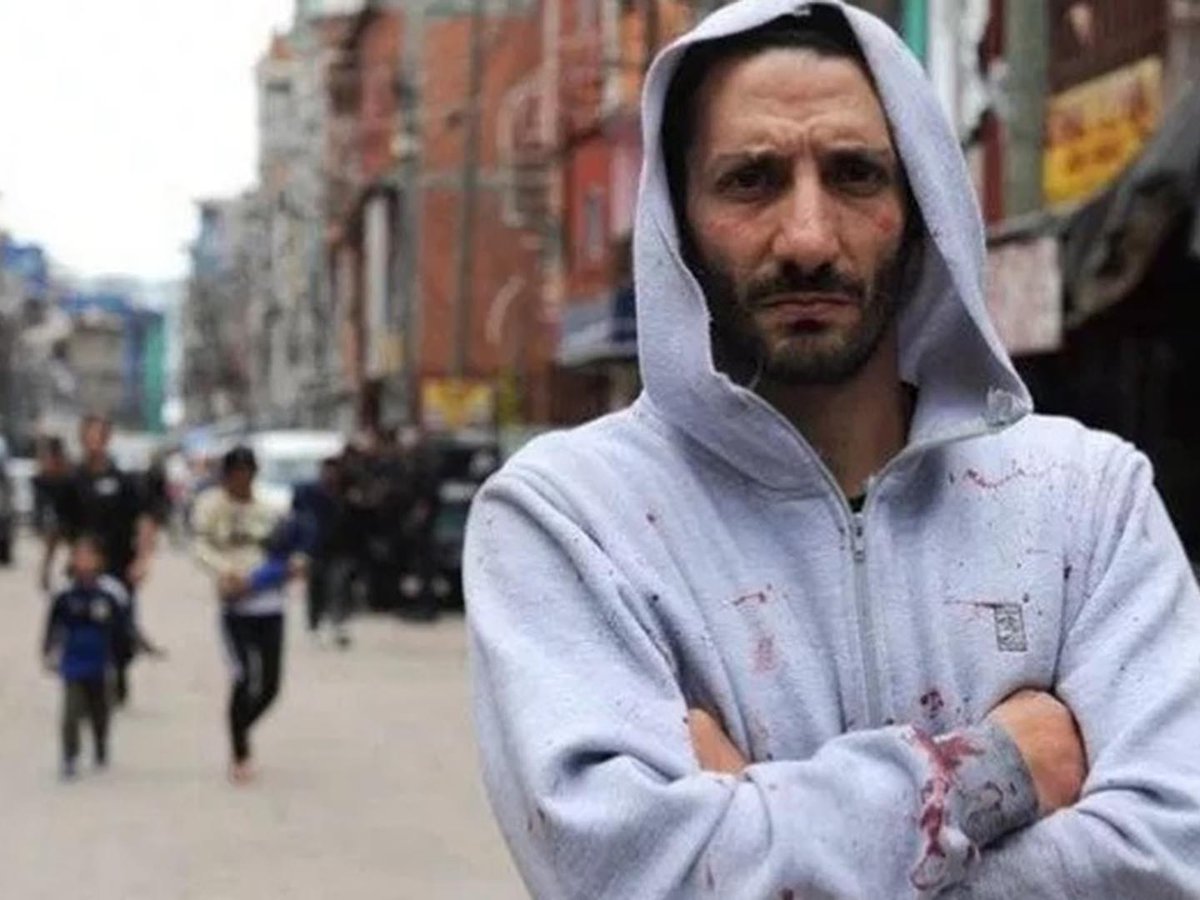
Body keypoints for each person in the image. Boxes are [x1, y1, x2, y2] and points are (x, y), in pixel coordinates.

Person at [463, 3, 1200, 897]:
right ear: (676, 221)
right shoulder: (572, 520)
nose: (808, 238)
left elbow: (1173, 856)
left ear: (920, 208)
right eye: (752, 180)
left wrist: (755, 830)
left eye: (855, 175)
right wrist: (993, 768)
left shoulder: (1087, 501)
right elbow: (632, 875)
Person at [190, 446, 295, 785]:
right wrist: (225, 573)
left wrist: (293, 568)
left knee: (270, 685)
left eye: (247, 475)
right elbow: (200, 547)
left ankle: (240, 727)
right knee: (243, 677)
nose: (241, 482)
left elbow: (285, 552)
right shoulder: (211, 507)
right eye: (235, 475)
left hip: (270, 605)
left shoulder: (269, 510)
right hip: (236, 607)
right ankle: (240, 751)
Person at [42, 414, 162, 706]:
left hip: (120, 564)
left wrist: (142, 560)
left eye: (99, 436)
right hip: (83, 567)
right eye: (89, 436)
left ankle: (120, 668)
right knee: (80, 623)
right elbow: (58, 526)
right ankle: (83, 681)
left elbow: (145, 520)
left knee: (121, 625)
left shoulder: (124, 480)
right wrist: (47, 564)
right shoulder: (72, 481)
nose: (94, 442)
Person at [41, 534, 130, 780]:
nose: (83, 561)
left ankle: (100, 743)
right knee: (71, 712)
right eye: (78, 556)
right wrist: (48, 650)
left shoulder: (111, 592)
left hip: (100, 661)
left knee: (100, 710)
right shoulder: (65, 593)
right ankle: (69, 755)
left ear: (99, 560)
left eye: (89, 556)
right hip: (73, 660)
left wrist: (122, 657)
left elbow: (122, 628)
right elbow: (53, 624)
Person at [292, 456, 353, 645]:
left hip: (341, 547)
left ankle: (338, 624)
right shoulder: (310, 492)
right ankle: (314, 625)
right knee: (316, 588)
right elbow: (298, 514)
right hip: (316, 548)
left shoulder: (346, 492)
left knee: (339, 586)